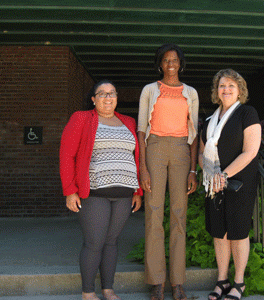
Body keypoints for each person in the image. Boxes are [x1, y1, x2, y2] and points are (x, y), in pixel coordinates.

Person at [59, 80, 143, 300]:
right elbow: (67, 155)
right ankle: (88, 292)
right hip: (95, 192)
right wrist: (70, 190)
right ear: (93, 99)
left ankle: (108, 289)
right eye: (102, 93)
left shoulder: (128, 122)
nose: (108, 97)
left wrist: (137, 191)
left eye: (112, 93)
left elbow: (136, 158)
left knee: (111, 242)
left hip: (125, 193)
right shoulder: (81, 119)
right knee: (94, 242)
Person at [137, 44, 199, 300]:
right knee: (153, 212)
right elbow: (141, 129)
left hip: (182, 149)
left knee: (178, 214)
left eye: (175, 60)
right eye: (166, 60)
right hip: (155, 147)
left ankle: (177, 281)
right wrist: (143, 167)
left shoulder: (191, 93)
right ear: (159, 64)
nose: (171, 64)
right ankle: (156, 281)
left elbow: (195, 133)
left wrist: (193, 170)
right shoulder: (150, 90)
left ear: (181, 64)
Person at [198, 69, 261, 300]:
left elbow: (250, 151)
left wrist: (223, 175)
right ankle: (222, 280)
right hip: (213, 185)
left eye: (231, 86)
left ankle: (239, 283)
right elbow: (202, 153)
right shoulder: (208, 120)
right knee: (219, 233)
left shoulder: (247, 113)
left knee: (238, 233)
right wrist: (211, 175)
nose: (226, 89)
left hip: (239, 183)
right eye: (222, 85)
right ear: (217, 91)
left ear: (239, 91)